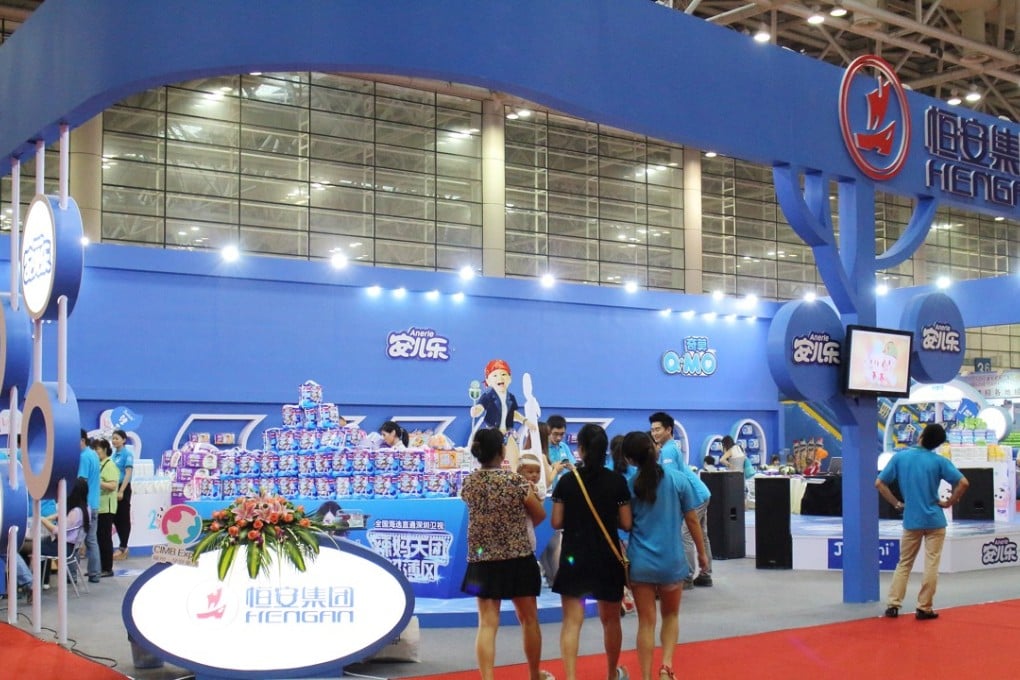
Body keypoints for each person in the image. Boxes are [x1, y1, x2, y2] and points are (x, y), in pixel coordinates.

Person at [460, 428, 552, 680]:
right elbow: (540, 515)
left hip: (482, 560)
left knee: (487, 623)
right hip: (518, 558)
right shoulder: (516, 482)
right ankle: (535, 674)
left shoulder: (469, 482)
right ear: (502, 452)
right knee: (529, 620)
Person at [622, 431, 708, 680]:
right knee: (671, 616)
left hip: (641, 563)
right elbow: (692, 520)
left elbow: (626, 524)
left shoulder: (630, 486)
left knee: (645, 623)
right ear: (654, 449)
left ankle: (647, 676)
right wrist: (702, 554)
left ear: (629, 459)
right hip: (672, 562)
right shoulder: (678, 480)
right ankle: (666, 668)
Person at [551, 423, 632, 680]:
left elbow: (556, 522)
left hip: (574, 557)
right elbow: (626, 523)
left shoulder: (567, 481)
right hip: (607, 560)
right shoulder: (617, 481)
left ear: (581, 449)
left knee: (572, 622)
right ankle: (611, 673)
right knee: (611, 621)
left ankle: (571, 677)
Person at [876, 423, 969, 620]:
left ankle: (893, 604)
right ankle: (924, 607)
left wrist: (896, 503)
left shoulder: (900, 457)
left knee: (904, 563)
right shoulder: (938, 461)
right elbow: (963, 482)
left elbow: (880, 483)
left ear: (922, 435)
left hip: (911, 519)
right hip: (935, 519)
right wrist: (950, 501)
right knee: (932, 563)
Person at [78, 429, 102, 582]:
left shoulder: (84, 457)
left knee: (74, 540)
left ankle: (72, 574)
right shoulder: (93, 454)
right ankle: (94, 573)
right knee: (92, 540)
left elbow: (82, 481)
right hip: (93, 504)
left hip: (85, 505)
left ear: (81, 440)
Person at [96, 438, 119, 577]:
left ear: (105, 449)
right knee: (99, 538)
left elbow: (112, 486)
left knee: (105, 538)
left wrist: (98, 482)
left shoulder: (109, 465)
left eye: (97, 449)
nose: (96, 452)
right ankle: (101, 567)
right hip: (100, 507)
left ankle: (107, 568)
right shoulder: (100, 464)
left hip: (107, 508)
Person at [111, 429, 134, 560]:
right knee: (115, 518)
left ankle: (123, 547)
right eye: (113, 438)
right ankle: (121, 546)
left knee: (123, 518)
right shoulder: (114, 455)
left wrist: (121, 491)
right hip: (113, 488)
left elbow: (128, 473)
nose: (114, 441)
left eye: (117, 438)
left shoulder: (127, 454)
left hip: (123, 488)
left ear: (124, 440)